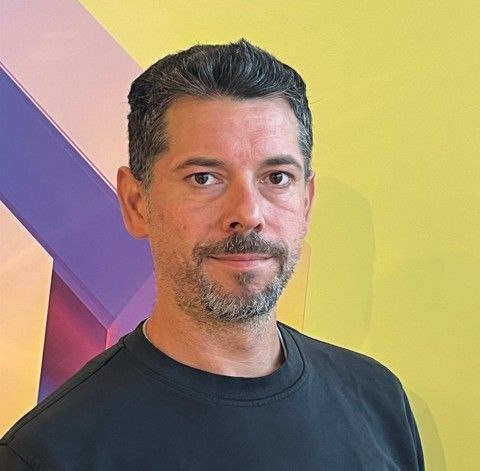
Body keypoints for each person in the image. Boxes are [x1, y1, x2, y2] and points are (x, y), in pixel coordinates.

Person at [0, 39, 424, 470]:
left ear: (306, 201)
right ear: (136, 203)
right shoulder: (49, 454)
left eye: (277, 177)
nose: (248, 214)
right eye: (204, 178)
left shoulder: (378, 400)